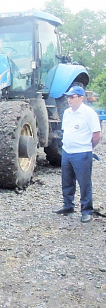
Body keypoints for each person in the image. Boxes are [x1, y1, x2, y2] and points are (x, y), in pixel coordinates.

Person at [54, 86, 102, 223]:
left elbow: (97, 134)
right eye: (68, 97)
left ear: (81, 98)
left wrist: (87, 147)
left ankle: (87, 210)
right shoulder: (67, 113)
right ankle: (68, 205)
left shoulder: (89, 113)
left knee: (84, 183)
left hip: (82, 152)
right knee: (67, 181)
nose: (69, 100)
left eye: (72, 97)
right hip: (67, 151)